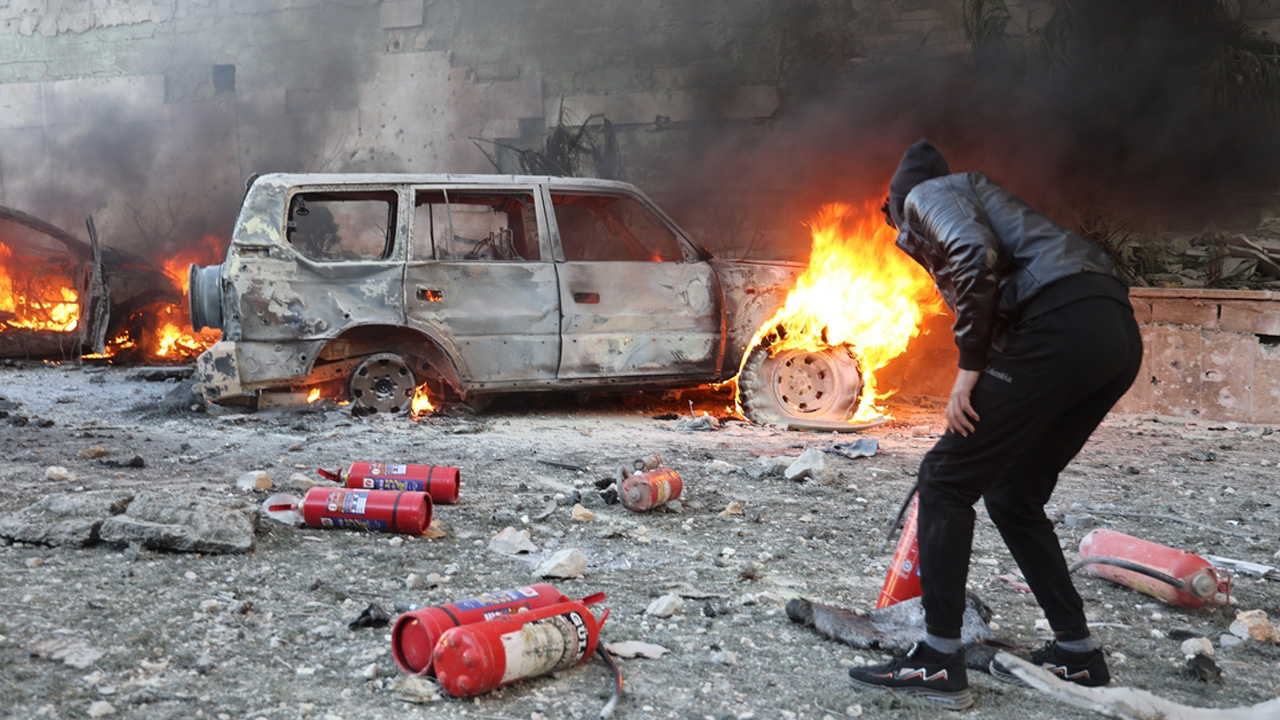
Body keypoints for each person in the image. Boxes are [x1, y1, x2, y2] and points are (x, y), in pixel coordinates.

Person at [847, 140, 1143, 710]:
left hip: (1060, 329)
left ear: (896, 199)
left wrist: (970, 369)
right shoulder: (981, 197)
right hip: (1112, 335)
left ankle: (936, 660)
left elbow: (972, 253)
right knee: (1013, 493)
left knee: (943, 478)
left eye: (891, 215)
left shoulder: (931, 195)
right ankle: (1077, 655)